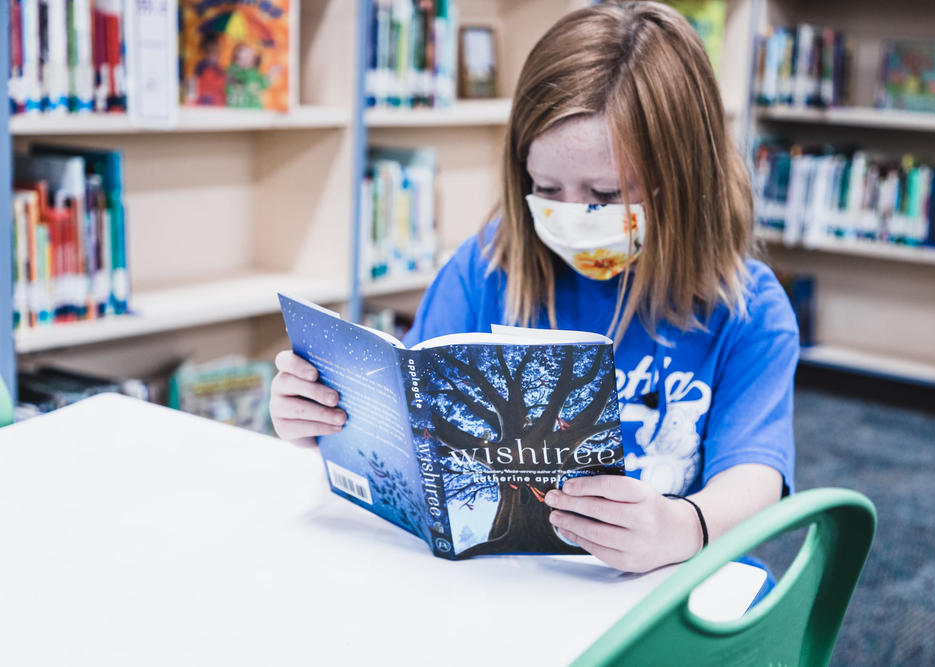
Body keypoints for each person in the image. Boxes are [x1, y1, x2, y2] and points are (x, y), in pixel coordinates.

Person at [270, 1, 798, 575]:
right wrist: (321, 419)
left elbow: (755, 474)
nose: (573, 216)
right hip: (504, 580)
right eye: (546, 187)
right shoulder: (487, 267)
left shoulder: (749, 309)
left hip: (662, 584)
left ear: (685, 178)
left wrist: (684, 527)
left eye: (606, 193)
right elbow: (413, 427)